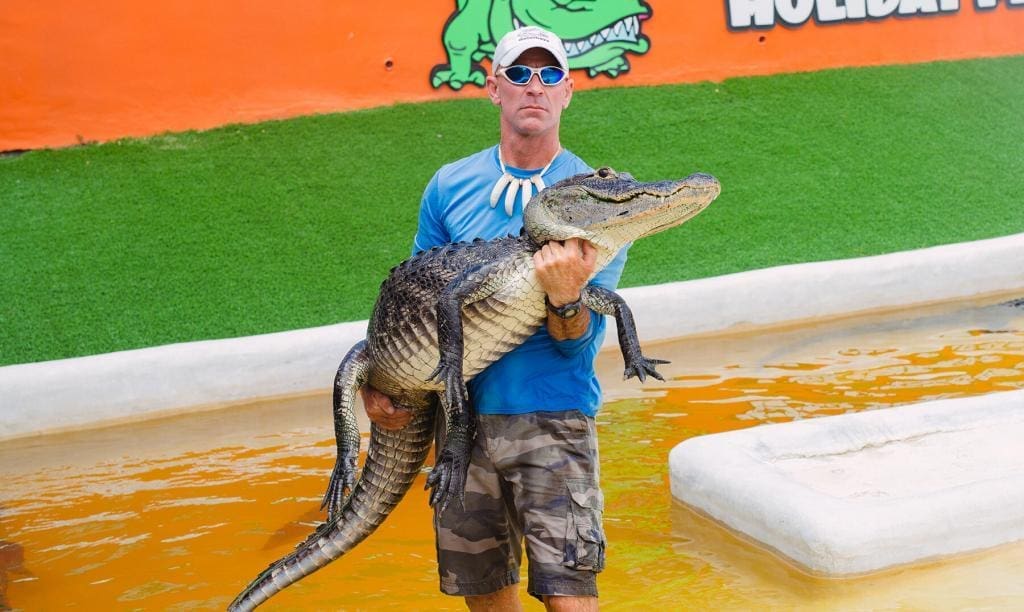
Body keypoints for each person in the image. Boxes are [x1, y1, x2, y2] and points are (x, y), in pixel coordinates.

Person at [361, 26, 628, 611]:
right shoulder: (448, 185)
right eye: (520, 74)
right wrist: (377, 382)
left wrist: (564, 298)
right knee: (484, 599)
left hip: (554, 419)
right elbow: (412, 299)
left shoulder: (601, 201)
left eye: (550, 74)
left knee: (570, 598)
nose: (535, 86)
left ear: (567, 92)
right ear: (494, 88)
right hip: (461, 427)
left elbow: (577, 344)